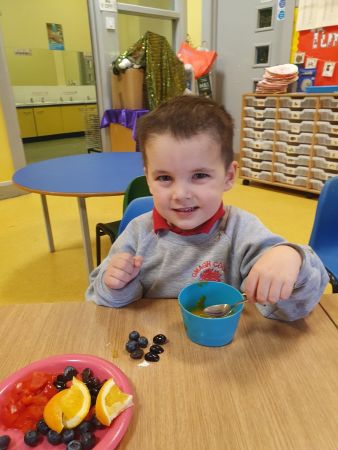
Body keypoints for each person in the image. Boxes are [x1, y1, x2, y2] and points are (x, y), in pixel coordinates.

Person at [86, 95, 328, 321]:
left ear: (229, 176)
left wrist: (292, 258)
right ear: (148, 179)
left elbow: (293, 309)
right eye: (164, 178)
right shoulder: (137, 233)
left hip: (224, 354)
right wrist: (117, 285)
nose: (181, 195)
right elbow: (98, 300)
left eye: (199, 175)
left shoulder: (242, 231)